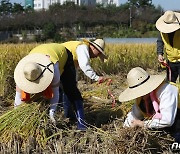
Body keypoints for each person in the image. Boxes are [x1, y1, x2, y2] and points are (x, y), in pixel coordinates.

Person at [14, 43, 86, 130]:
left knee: (70, 89)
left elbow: (55, 92)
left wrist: (51, 113)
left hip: (63, 54)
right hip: (40, 53)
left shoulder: (53, 69)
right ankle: (66, 113)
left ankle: (81, 122)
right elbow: (18, 96)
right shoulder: (24, 71)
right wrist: (17, 115)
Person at [119, 67, 180, 143]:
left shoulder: (167, 90)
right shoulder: (140, 99)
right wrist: (126, 129)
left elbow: (167, 120)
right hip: (163, 125)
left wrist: (142, 124)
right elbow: (134, 115)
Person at [61, 39, 107, 119]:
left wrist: (75, 82)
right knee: (73, 94)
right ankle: (78, 121)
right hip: (56, 63)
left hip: (61, 66)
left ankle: (68, 115)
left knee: (67, 91)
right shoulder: (83, 47)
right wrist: (96, 77)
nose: (97, 56)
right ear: (93, 48)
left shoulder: (78, 50)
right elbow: (84, 65)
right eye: (98, 53)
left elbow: (73, 69)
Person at [156, 10, 180, 83]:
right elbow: (160, 41)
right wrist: (160, 54)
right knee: (170, 83)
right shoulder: (162, 31)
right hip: (170, 61)